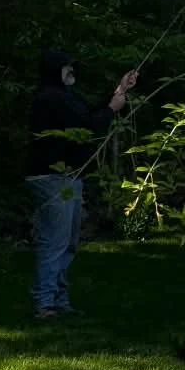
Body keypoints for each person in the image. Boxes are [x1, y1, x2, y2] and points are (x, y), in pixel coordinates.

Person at [26, 50, 137, 319]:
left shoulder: (65, 97)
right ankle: (44, 304)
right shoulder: (50, 98)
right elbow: (89, 123)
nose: (72, 71)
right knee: (56, 242)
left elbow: (87, 112)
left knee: (68, 242)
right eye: (67, 68)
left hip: (69, 177)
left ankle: (58, 302)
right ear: (55, 70)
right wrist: (112, 109)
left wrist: (120, 89)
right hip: (52, 178)